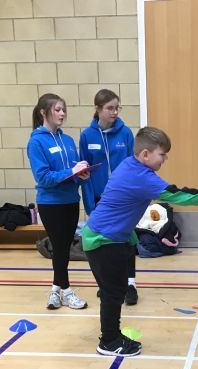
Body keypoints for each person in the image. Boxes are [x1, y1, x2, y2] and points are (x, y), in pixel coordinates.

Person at [83, 126, 198, 357]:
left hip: (107, 237)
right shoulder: (142, 177)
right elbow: (185, 197)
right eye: (162, 154)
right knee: (113, 293)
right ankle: (109, 341)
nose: (165, 159)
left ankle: (113, 336)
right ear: (145, 154)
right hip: (104, 240)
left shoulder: (130, 164)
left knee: (114, 291)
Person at [27, 93, 90, 310]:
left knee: (63, 247)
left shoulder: (68, 140)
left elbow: (72, 173)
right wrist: (71, 172)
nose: (62, 114)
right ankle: (67, 291)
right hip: (50, 203)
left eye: (64, 109)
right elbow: (43, 177)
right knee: (61, 247)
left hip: (71, 201)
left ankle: (55, 289)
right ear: (43, 112)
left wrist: (80, 175)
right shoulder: (36, 142)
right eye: (57, 109)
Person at [79, 89, 139, 305]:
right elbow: (84, 173)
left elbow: (134, 166)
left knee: (126, 240)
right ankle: (107, 284)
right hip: (100, 199)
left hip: (123, 199)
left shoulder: (126, 134)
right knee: (102, 244)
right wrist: (89, 203)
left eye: (117, 108)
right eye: (110, 108)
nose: (114, 112)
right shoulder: (87, 136)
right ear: (98, 109)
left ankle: (130, 283)